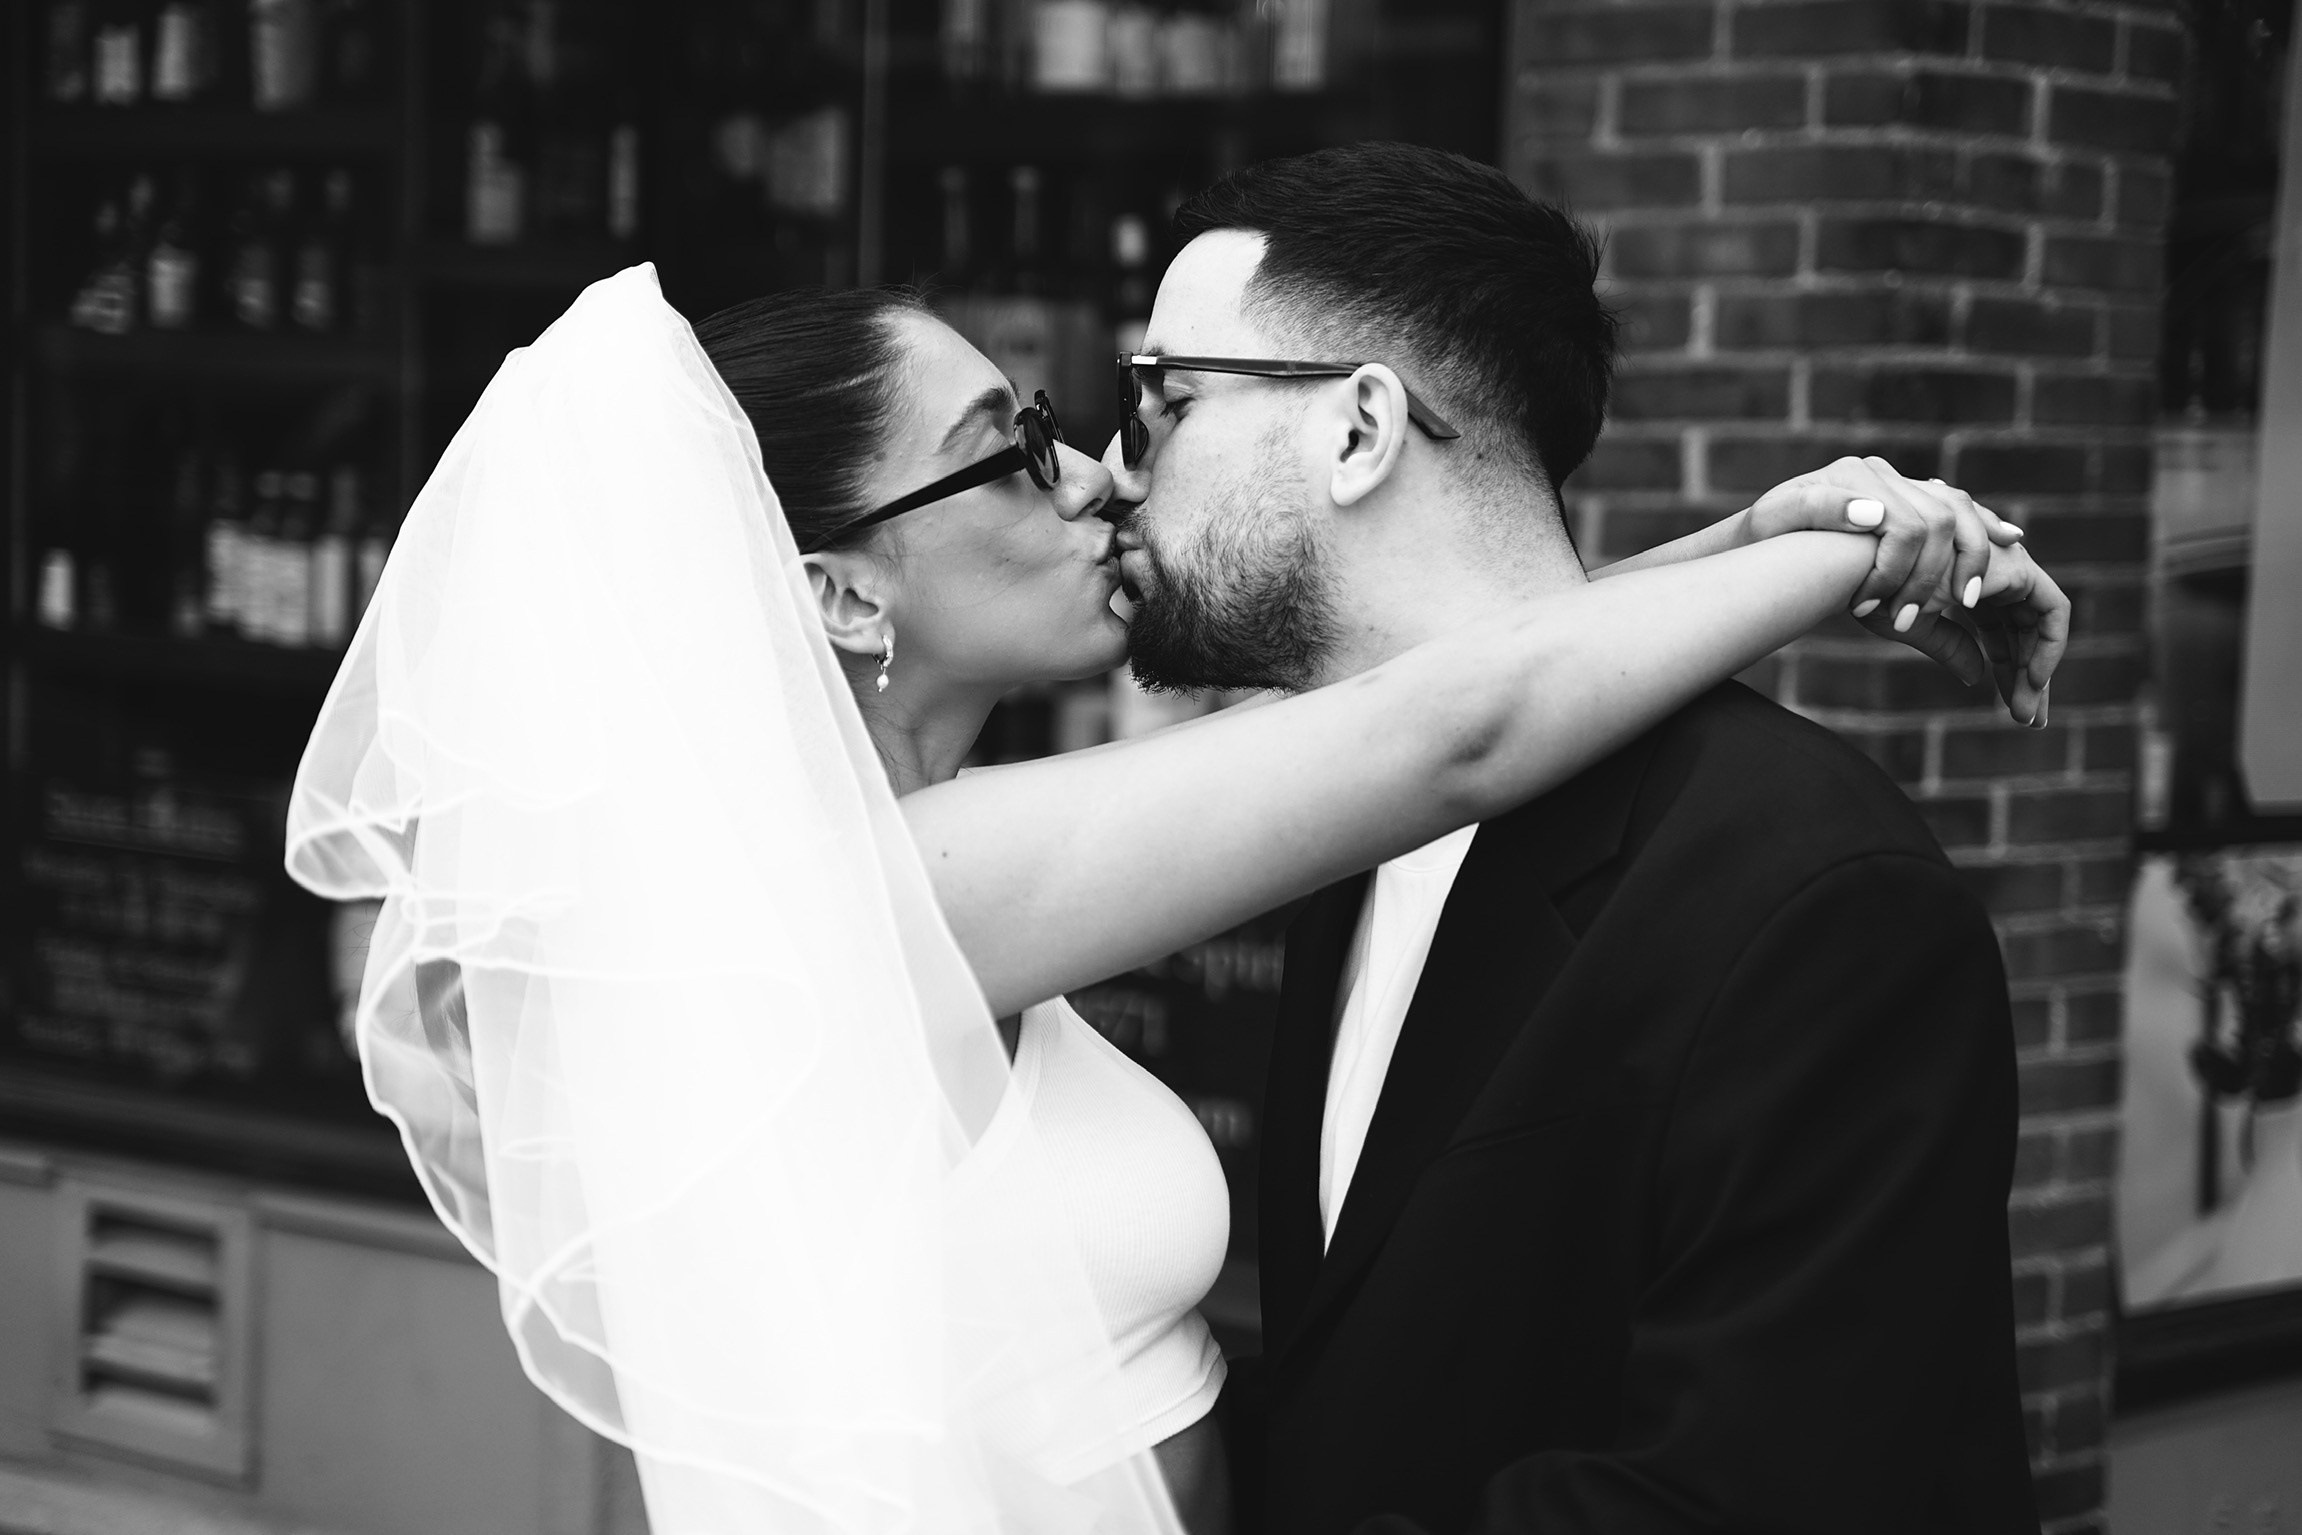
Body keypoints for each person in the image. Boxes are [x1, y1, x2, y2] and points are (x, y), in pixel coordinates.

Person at [285, 244, 2061, 1533]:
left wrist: (1736, 547)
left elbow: (1421, 707)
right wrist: (1837, 550)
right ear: (838, 593)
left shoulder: (928, 851)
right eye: (1012, 444)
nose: (1095, 473)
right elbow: (1446, 731)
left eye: (1111, 411)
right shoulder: (886, 894)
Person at [1104, 142, 2050, 1534]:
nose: (1120, 475)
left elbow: (1754, 1499)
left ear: (1359, 431)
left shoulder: (1813, 897)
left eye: (1164, 404)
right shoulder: (1353, 828)